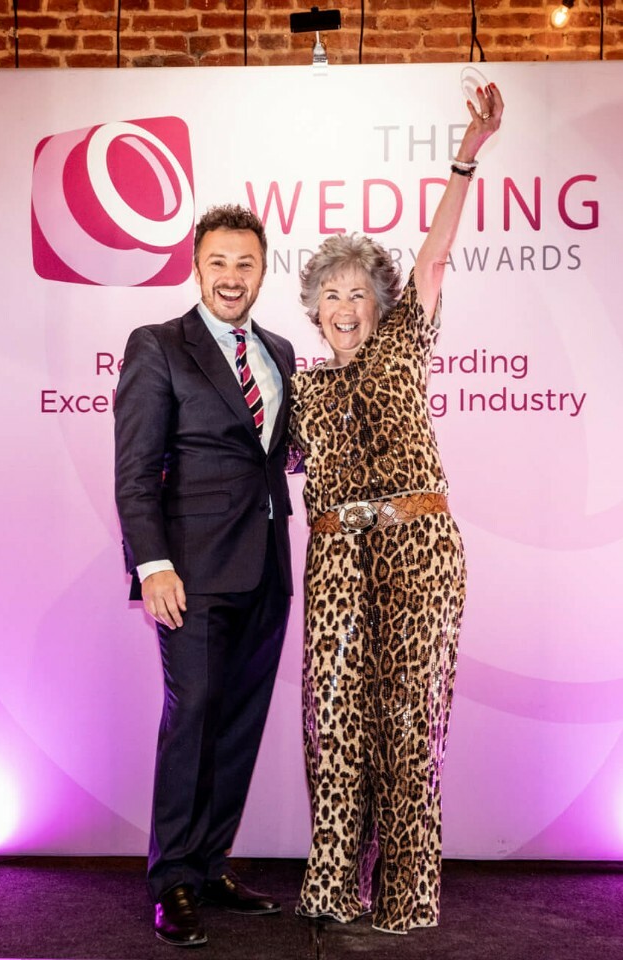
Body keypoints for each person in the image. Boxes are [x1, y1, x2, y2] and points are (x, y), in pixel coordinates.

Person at [289, 84, 504, 934]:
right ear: (313, 308)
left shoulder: (405, 342)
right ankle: (334, 886)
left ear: (380, 304)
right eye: (331, 295)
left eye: (358, 294)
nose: (345, 308)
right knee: (336, 726)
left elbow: (436, 258)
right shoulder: (300, 388)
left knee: (409, 727)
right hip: (336, 560)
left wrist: (467, 156)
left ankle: (407, 895)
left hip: (419, 549)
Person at [114, 204, 295, 948]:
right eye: (218, 261)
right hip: (190, 574)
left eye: (245, 263)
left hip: (268, 569)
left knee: (238, 725)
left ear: (263, 271)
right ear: (196, 267)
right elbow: (135, 470)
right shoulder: (158, 345)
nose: (231, 276)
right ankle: (173, 881)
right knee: (191, 720)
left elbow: (275, 455)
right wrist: (153, 565)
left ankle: (212, 864)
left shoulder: (280, 350)